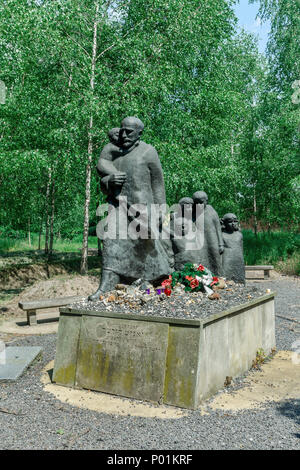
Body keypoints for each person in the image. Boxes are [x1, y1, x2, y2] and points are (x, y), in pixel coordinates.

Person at [89, 117, 171, 300]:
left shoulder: (149, 152)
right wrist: (109, 181)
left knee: (143, 246)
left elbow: (158, 183)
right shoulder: (115, 154)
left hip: (142, 207)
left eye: (130, 132)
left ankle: (147, 284)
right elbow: (103, 184)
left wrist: (160, 210)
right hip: (117, 205)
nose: (124, 135)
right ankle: (106, 285)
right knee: (110, 242)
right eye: (122, 130)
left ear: (139, 133)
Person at [192, 191, 224, 276]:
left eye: (201, 202)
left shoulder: (211, 211)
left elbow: (218, 228)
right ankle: (203, 277)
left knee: (215, 258)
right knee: (202, 259)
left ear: (206, 201)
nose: (199, 205)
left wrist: (221, 244)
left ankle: (219, 277)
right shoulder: (194, 212)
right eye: (196, 202)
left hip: (212, 239)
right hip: (200, 240)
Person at [221, 213, 245, 283]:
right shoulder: (221, 235)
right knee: (226, 278)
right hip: (227, 261)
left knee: (239, 278)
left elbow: (241, 248)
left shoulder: (239, 235)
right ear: (224, 223)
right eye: (230, 222)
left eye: (235, 221)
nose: (233, 224)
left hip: (238, 260)